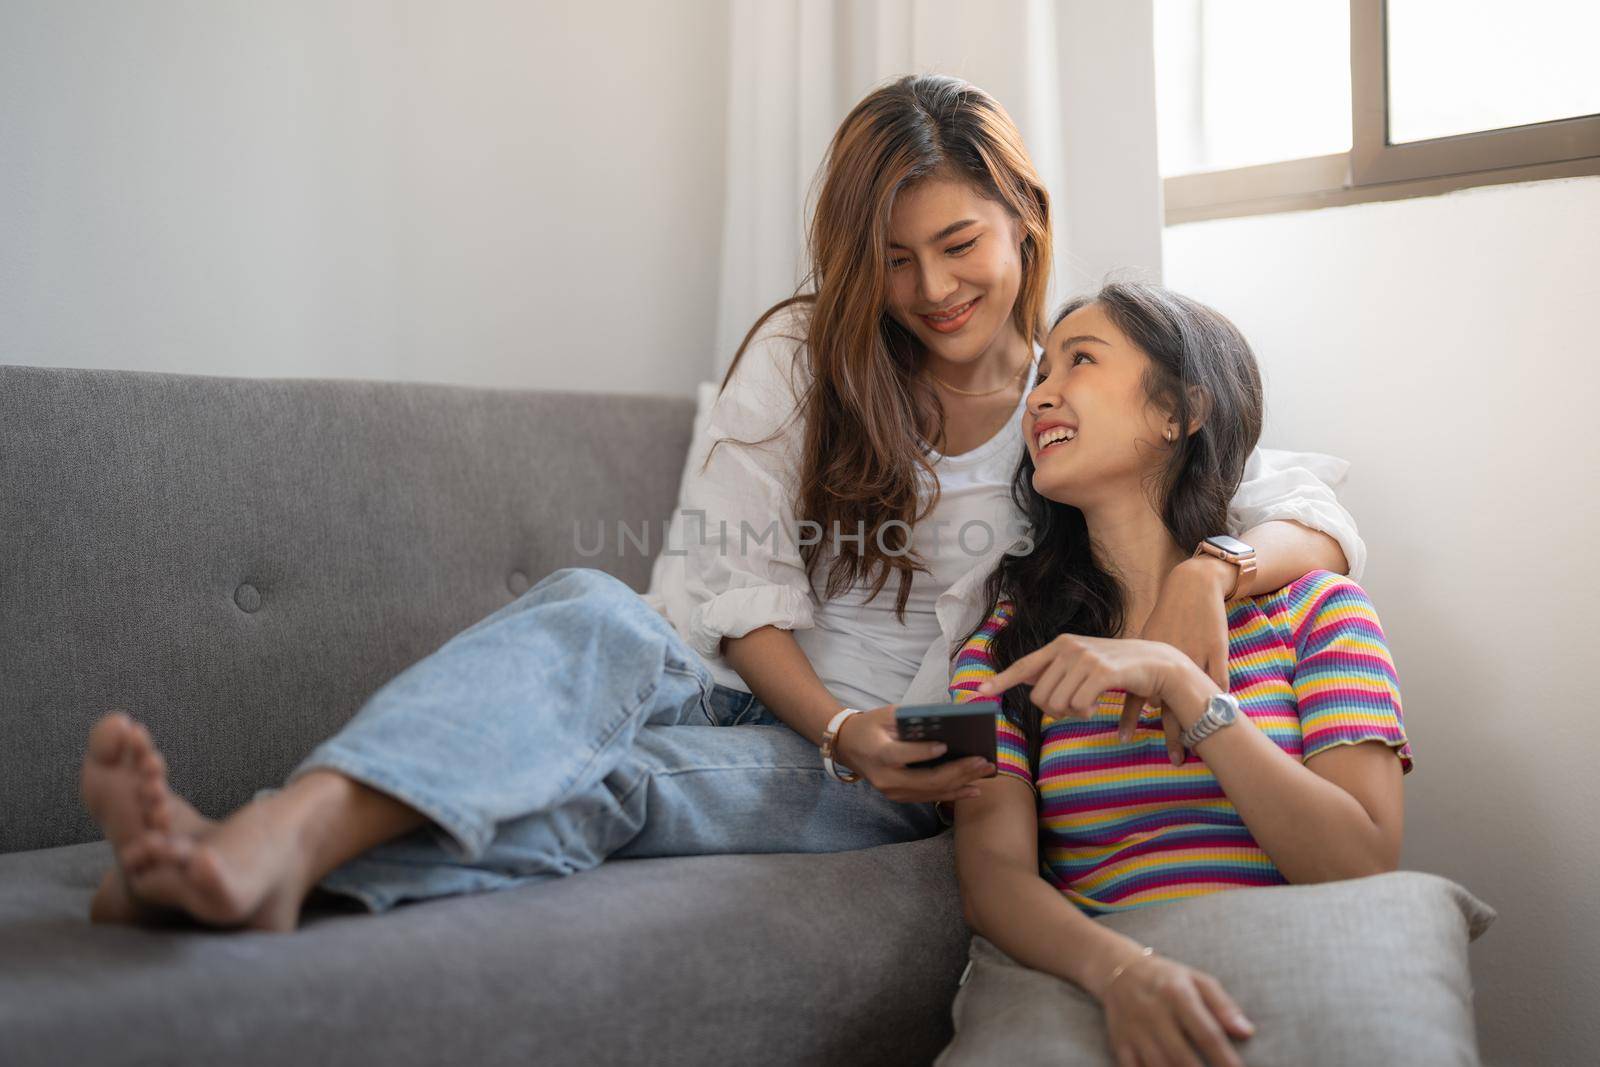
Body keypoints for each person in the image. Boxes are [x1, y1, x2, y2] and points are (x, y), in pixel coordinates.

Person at [77, 76, 1360, 933]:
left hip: (906, 764)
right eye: (894, 259)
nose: (931, 287)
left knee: (615, 788)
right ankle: (271, 832)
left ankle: (237, 880)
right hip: (773, 693)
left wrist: (1212, 570)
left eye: (959, 243)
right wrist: (834, 718)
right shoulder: (808, 355)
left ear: (1023, 218)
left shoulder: (1072, 396)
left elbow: (1304, 496)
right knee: (588, 604)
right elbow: (735, 594)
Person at [942, 282, 1411, 1067]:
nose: (1041, 397)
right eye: (1039, 378)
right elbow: (992, 879)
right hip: (1100, 989)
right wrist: (1124, 974)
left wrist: (1187, 688)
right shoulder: (1003, 642)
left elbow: (1359, 862)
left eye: (1079, 362)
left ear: (1179, 412)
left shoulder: (1316, 609)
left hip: (1289, 987)